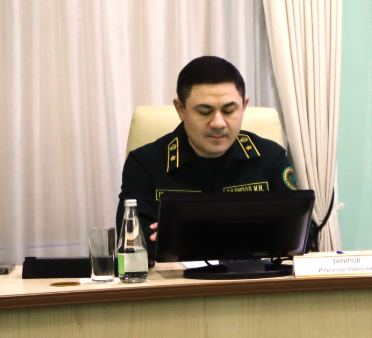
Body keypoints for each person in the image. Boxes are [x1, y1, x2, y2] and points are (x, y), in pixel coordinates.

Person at [117, 56, 298, 238]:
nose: (218, 123)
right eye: (204, 112)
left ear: (243, 107)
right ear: (181, 109)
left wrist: (184, 233)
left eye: (229, 111)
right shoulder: (144, 164)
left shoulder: (270, 157)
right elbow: (132, 240)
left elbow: (301, 234)